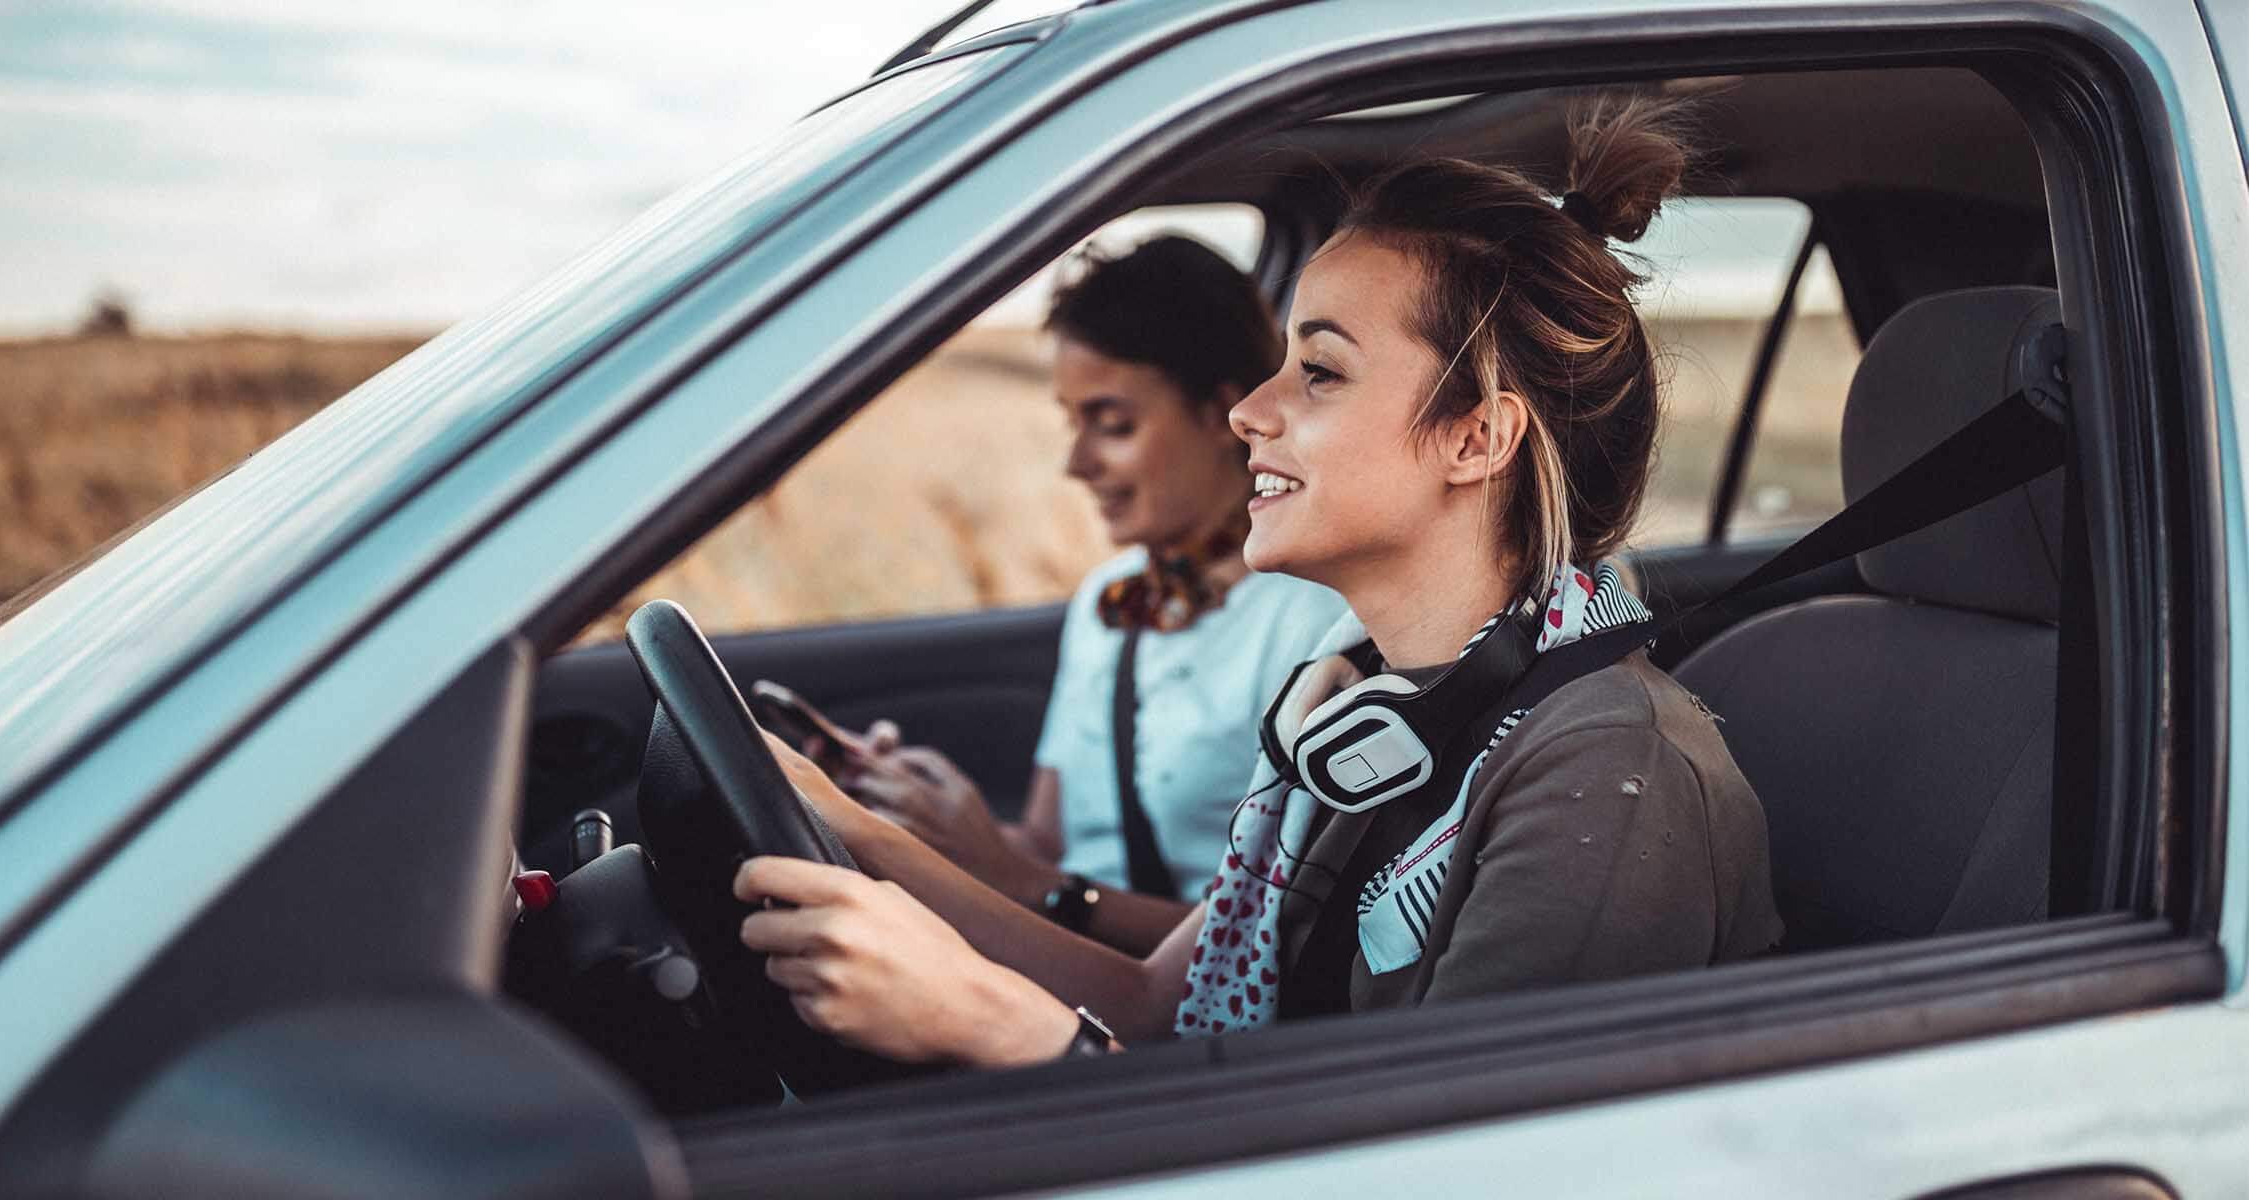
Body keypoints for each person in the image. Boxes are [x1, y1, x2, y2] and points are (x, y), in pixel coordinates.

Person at [736, 95, 1783, 1067]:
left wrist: (999, 1026)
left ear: (1476, 436)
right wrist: (853, 828)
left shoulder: (1605, 769)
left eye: (1317, 371)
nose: (1249, 412)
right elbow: (1151, 1007)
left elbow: (1433, 1172)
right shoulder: (1363, 709)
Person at [834, 236, 1347, 956]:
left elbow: (1279, 941)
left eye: (1113, 424)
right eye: (1072, 422)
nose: (1077, 465)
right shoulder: (1108, 597)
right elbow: (1048, 841)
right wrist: (917, 816)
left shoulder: (1316, 619)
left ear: (1223, 411)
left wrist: (1022, 881)